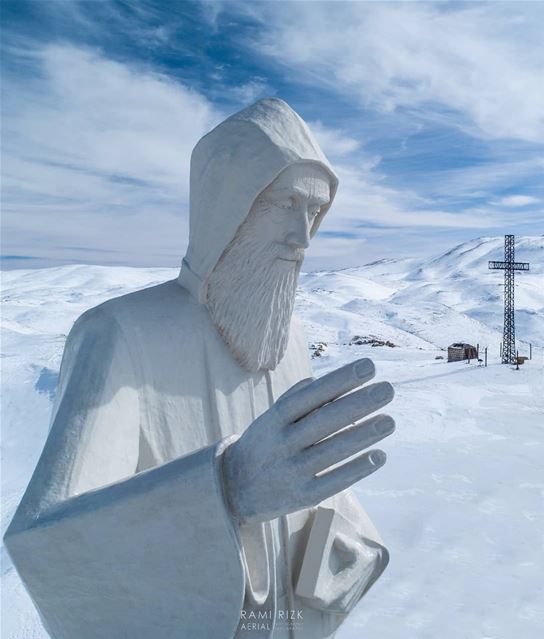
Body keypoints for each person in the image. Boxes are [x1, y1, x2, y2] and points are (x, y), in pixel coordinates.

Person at [4, 98, 396, 639]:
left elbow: (296, 481)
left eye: (316, 212)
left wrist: (347, 539)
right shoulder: (121, 334)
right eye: (286, 203)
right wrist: (224, 491)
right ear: (227, 207)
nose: (304, 238)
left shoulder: (290, 337)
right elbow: (45, 544)